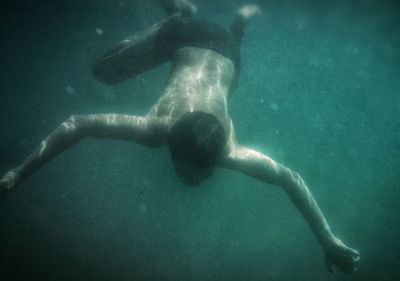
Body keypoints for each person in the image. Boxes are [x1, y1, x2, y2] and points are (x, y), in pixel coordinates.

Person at [0, 0, 360, 274]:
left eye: (191, 175)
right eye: (188, 173)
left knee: (220, 65)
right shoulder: (158, 130)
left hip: (228, 53)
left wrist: (329, 241)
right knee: (103, 73)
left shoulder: (225, 151)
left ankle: (236, 24)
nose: (188, 181)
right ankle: (180, 13)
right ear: (170, 148)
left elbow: (291, 180)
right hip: (192, 41)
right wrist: (21, 171)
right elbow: (77, 123)